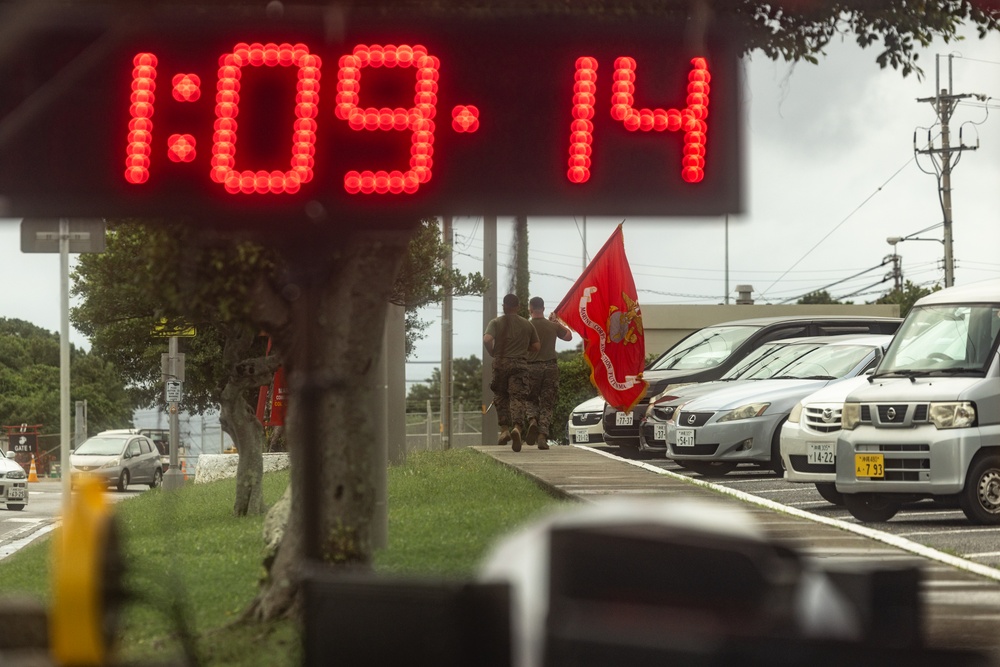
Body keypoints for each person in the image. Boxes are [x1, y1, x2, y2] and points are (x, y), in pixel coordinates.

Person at [484, 294, 540, 451]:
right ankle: (517, 427)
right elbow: (536, 346)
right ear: (519, 307)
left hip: (501, 363)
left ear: (503, 306)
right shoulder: (527, 325)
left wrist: (493, 352)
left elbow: (487, 339)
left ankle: (504, 430)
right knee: (518, 397)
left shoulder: (495, 322)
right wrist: (523, 348)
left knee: (501, 396)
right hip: (520, 364)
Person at [526, 297, 573, 449]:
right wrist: (556, 322)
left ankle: (532, 420)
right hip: (550, 368)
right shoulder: (552, 326)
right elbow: (568, 336)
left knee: (530, 399)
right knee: (547, 403)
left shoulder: (526, 326)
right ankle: (542, 435)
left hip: (531, 367)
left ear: (530, 309)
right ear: (544, 309)